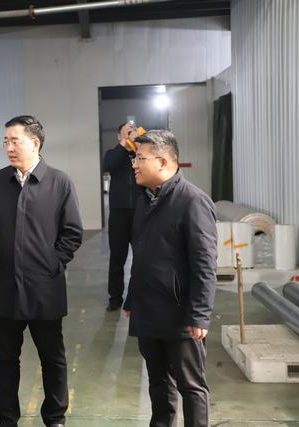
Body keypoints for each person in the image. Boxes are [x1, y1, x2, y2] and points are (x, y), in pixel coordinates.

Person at [0, 115, 83, 427]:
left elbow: (72, 233)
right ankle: (6, 419)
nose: (8, 147)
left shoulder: (59, 182)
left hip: (44, 288)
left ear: (34, 143)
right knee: (5, 358)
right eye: (5, 141)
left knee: (53, 357)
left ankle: (55, 418)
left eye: (14, 141)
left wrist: (53, 264)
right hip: (4, 287)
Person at [122, 130, 217, 427]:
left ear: (163, 162)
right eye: (135, 158)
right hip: (148, 310)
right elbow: (142, 256)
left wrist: (199, 314)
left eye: (140, 158)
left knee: (191, 386)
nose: (134, 165)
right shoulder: (145, 200)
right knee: (158, 384)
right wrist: (131, 299)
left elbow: (204, 263)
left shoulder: (192, 201)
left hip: (180, 315)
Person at [102, 122, 142, 311]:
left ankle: (137, 297)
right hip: (118, 213)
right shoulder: (113, 154)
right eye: (126, 132)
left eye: (132, 132)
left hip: (140, 212)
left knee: (141, 257)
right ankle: (115, 298)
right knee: (117, 257)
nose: (129, 134)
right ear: (119, 136)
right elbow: (108, 166)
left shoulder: (140, 154)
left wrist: (137, 146)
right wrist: (124, 145)